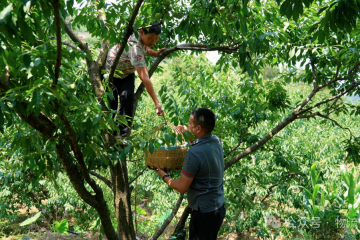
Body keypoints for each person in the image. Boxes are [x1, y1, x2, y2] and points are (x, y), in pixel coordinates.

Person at [154, 108, 226, 240]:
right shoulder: (216, 140)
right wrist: (188, 132)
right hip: (218, 206)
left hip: (204, 213)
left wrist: (164, 176)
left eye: (189, 124)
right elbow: (201, 146)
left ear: (198, 129)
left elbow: (182, 187)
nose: (187, 126)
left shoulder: (194, 153)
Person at [102, 21, 165, 141]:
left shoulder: (141, 40)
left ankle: (122, 135)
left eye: (156, 38)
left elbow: (145, 48)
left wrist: (156, 53)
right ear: (141, 32)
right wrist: (157, 103)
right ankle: (111, 132)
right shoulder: (134, 47)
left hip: (127, 72)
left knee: (128, 96)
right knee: (112, 104)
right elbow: (145, 77)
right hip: (112, 73)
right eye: (150, 38)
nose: (153, 41)